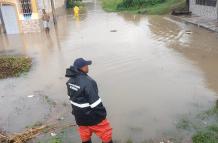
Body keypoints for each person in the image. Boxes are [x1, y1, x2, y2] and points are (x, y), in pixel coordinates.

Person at [65, 58, 113, 143]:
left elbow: (71, 99)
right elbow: (95, 103)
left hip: (79, 118)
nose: (88, 67)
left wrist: (76, 113)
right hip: (93, 118)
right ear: (82, 68)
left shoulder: (70, 81)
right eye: (86, 65)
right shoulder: (88, 82)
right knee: (106, 134)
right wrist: (102, 116)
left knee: (85, 136)